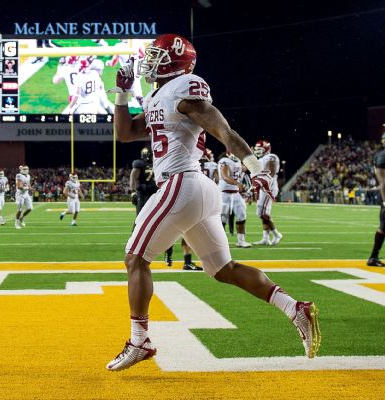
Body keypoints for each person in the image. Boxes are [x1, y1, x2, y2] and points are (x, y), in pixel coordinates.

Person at [106, 33, 321, 371]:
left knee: (135, 258)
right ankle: (295, 308)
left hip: (181, 184)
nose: (150, 61)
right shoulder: (157, 95)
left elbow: (224, 131)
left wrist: (255, 168)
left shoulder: (184, 87)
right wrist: (121, 94)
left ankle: (139, 340)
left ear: (176, 61)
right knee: (224, 270)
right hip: (197, 190)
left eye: (157, 56)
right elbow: (125, 134)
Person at [130, 147, 174, 266]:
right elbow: (133, 177)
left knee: (166, 222)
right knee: (139, 221)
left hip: (157, 194)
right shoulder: (141, 164)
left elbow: (166, 180)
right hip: (144, 195)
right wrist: (132, 191)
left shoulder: (162, 163)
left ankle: (168, 253)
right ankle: (133, 248)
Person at [253, 140, 283, 245]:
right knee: (262, 213)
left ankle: (276, 234)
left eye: (259, 149)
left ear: (266, 149)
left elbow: (271, 171)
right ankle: (265, 238)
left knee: (263, 213)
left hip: (269, 188)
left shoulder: (271, 157)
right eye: (256, 149)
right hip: (263, 188)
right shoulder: (260, 159)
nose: (257, 151)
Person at [218, 152, 252, 248]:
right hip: (224, 193)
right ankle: (220, 242)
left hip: (236, 193)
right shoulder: (224, 161)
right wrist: (238, 183)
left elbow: (246, 168)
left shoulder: (238, 162)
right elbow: (225, 177)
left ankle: (241, 241)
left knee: (242, 215)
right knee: (222, 219)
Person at [367, 133, 385, 266]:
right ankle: (373, 257)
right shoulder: (382, 155)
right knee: (383, 227)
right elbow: (382, 180)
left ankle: (373, 257)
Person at [15, 165, 33, 229]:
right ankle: (16, 224)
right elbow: (19, 187)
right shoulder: (19, 175)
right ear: (21, 170)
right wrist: (28, 188)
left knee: (30, 208)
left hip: (26, 194)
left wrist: (30, 188)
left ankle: (22, 218)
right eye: (24, 169)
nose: (25, 170)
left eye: (27, 169)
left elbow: (28, 183)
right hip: (20, 195)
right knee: (20, 210)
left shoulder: (28, 176)